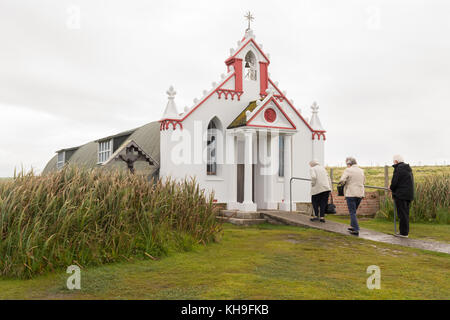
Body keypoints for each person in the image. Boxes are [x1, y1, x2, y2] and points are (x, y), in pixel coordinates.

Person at [389, 155, 414, 238]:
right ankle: (405, 232)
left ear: (396, 161)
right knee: (405, 214)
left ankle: (403, 233)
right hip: (408, 195)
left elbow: (395, 181)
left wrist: (391, 188)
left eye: (394, 161)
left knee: (402, 214)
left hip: (400, 195)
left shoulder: (398, 169)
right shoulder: (408, 168)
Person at [339, 157, 365, 236]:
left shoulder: (348, 170)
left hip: (351, 193)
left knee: (352, 212)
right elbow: (364, 181)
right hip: (360, 193)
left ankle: (356, 229)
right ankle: (352, 226)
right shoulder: (361, 170)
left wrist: (342, 182)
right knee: (354, 211)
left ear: (349, 164)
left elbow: (342, 180)